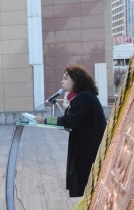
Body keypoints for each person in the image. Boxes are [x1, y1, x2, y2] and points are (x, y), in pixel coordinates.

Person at [36, 65, 107, 197]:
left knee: (88, 185)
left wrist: (46, 121)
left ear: (75, 80)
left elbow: (69, 120)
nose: (62, 82)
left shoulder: (84, 98)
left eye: (65, 78)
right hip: (87, 146)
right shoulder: (84, 97)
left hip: (88, 149)